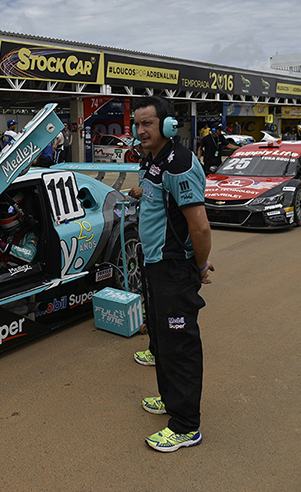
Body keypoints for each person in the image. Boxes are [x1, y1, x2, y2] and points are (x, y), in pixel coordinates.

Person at [126, 96, 213, 453]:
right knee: (162, 340)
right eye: (137, 124)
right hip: (156, 265)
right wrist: (139, 192)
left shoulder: (177, 163)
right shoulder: (156, 161)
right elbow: (160, 199)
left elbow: (201, 227)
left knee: (180, 346)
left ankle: (186, 426)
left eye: (148, 123)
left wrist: (200, 267)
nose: (140, 130)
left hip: (174, 268)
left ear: (167, 126)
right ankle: (171, 398)